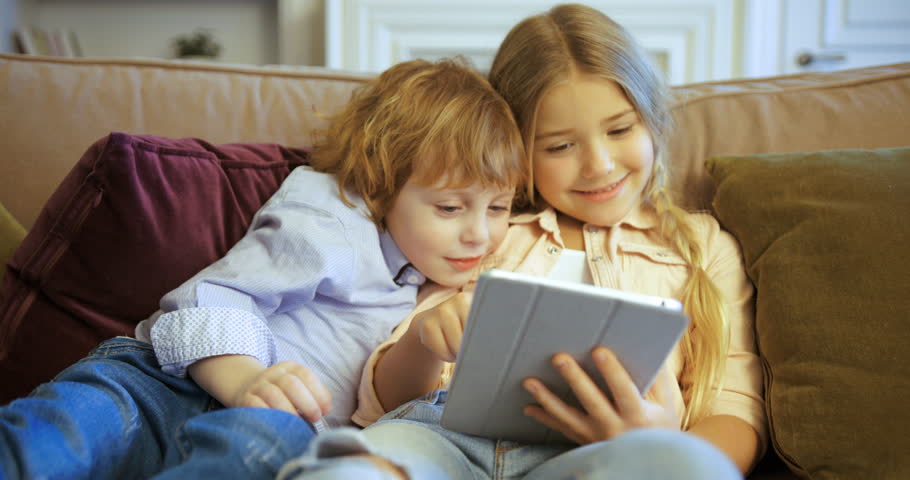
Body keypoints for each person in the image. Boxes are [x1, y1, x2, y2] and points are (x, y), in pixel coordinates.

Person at [274, 4, 767, 480]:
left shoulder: (702, 248)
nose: (599, 164)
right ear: (515, 148)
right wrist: (426, 337)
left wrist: (661, 443)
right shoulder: (487, 223)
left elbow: (736, 408)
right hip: (442, 437)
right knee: (363, 465)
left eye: (620, 129)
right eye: (559, 146)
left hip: (596, 456)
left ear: (652, 120)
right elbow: (383, 400)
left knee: (691, 468)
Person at [0, 57, 525, 480]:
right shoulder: (335, 218)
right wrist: (246, 379)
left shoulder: (428, 282)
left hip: (266, 436)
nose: (479, 233)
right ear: (381, 183)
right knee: (55, 438)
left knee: (272, 446)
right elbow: (207, 299)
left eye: (498, 208)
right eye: (450, 208)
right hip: (170, 386)